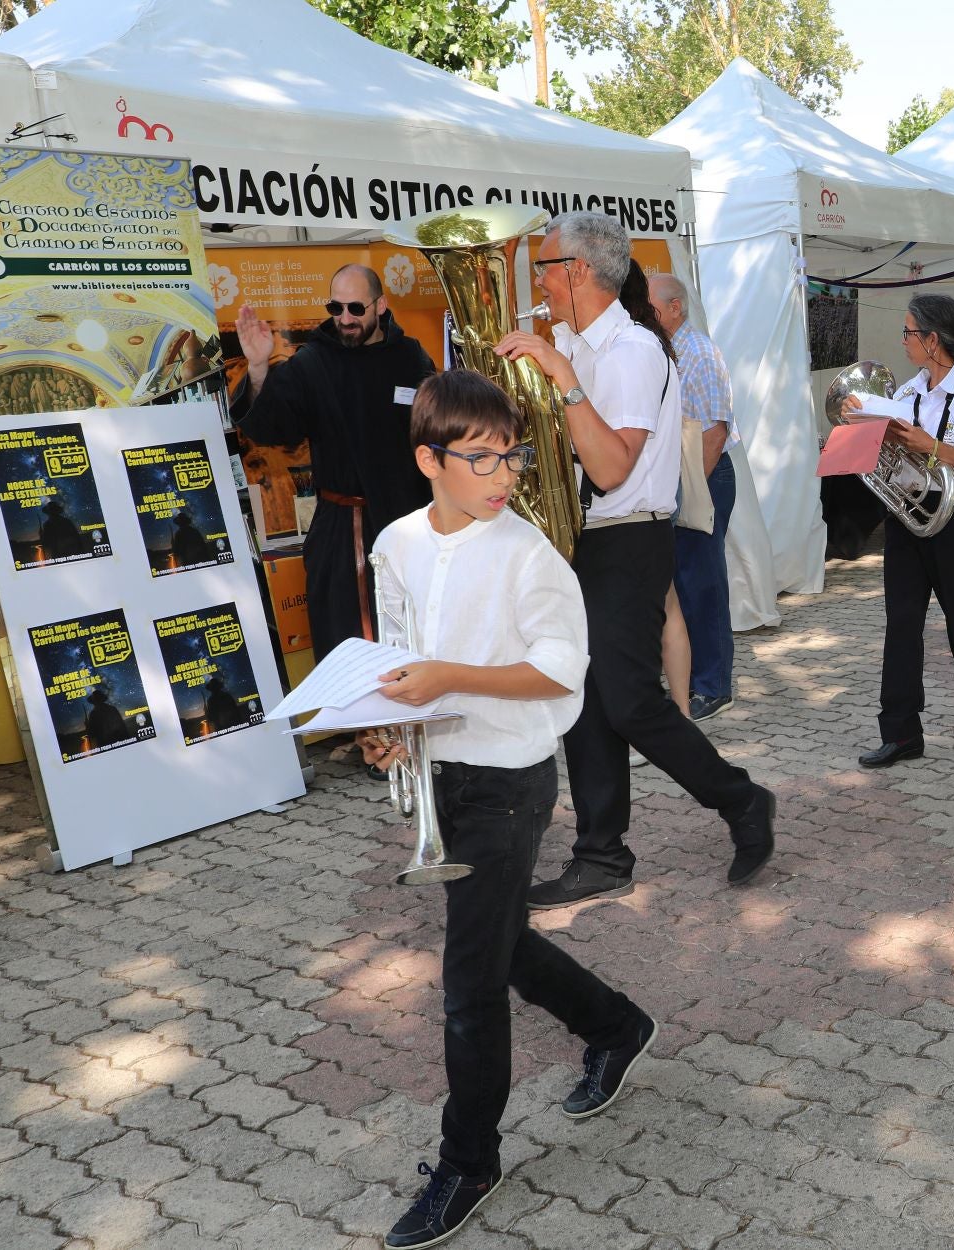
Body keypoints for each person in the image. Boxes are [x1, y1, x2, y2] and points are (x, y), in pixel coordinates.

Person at [354, 369, 658, 1250]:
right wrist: (386, 729)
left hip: (510, 780)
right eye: (480, 458)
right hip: (444, 773)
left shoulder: (529, 554)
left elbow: (563, 670)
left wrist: (451, 679)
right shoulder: (398, 543)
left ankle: (469, 1162)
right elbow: (401, 657)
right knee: (497, 941)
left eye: (512, 457)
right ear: (429, 459)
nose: (503, 475)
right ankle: (616, 1025)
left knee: (468, 984)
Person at [496, 213, 776, 907]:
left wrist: (563, 378)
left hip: (629, 537)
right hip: (577, 539)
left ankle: (742, 800)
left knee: (625, 699)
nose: (540, 283)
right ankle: (601, 853)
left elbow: (612, 465)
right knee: (585, 698)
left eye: (543, 267)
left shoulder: (632, 351)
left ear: (578, 271)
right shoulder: (569, 338)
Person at [234, 264, 436, 660]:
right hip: (345, 535)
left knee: (417, 638)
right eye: (336, 307)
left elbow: (438, 431)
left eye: (356, 308)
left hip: (409, 524)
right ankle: (358, 725)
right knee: (350, 648)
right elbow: (275, 428)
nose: (345, 319)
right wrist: (258, 368)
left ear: (381, 305)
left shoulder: (411, 357)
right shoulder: (313, 362)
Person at [849, 294, 954, 768]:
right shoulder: (907, 392)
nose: (904, 340)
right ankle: (900, 732)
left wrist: (931, 447)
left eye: (909, 332)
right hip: (908, 515)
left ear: (933, 339)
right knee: (900, 624)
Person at [649, 272, 739, 721]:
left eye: (649, 306)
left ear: (675, 308)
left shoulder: (698, 352)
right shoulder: (663, 349)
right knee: (683, 585)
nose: (640, 313)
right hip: (682, 478)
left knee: (703, 584)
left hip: (704, 476)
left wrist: (691, 495)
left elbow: (715, 433)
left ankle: (713, 686)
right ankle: (693, 678)